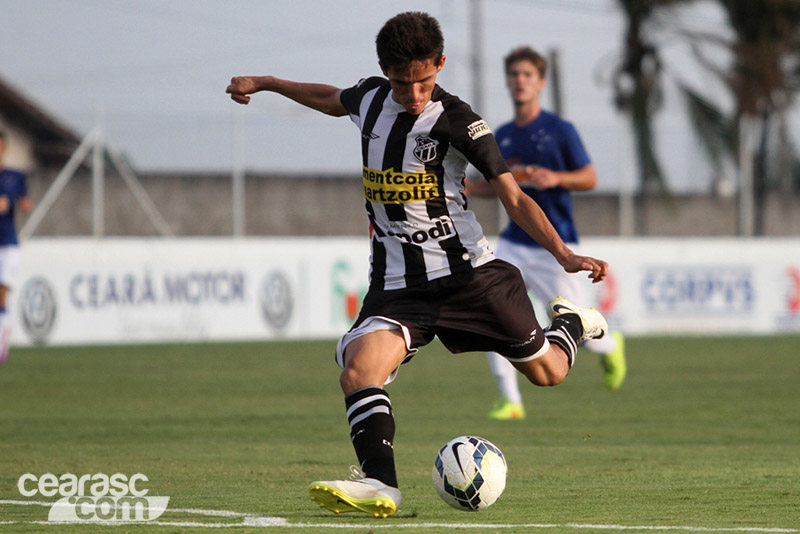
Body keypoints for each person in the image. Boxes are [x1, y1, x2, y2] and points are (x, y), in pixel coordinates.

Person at [227, 12, 609, 519]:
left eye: (424, 80)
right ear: (384, 70)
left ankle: (570, 322)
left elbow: (513, 197)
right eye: (403, 82)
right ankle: (381, 485)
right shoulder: (368, 99)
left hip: (470, 277)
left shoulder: (458, 120)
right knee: (359, 370)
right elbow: (328, 98)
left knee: (548, 373)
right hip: (398, 284)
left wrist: (564, 254)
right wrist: (269, 83)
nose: (413, 93)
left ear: (440, 66)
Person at [465, 46, 626, 421]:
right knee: (494, 312)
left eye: (526, 75)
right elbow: (499, 185)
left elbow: (590, 177)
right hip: (513, 243)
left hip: (555, 244)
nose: (519, 81)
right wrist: (471, 188)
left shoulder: (559, 131)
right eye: (514, 74)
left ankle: (611, 345)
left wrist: (557, 178)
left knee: (573, 327)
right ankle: (511, 400)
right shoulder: (500, 135)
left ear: (540, 82)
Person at [0, 131, 33, 364]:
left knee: (2, 293)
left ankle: (2, 342)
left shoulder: (14, 176)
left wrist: (15, 203)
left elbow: (26, 204)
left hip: (8, 243)